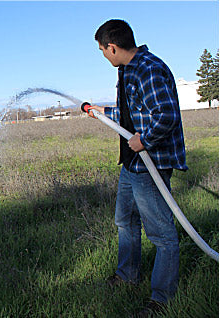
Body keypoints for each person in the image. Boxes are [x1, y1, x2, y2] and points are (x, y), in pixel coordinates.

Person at [88, 19, 188, 317]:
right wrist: (103, 113)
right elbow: (136, 113)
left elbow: (166, 115)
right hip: (132, 165)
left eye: (102, 50)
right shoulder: (129, 70)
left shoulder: (148, 68)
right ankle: (127, 275)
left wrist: (143, 140)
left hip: (151, 165)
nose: (104, 55)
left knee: (162, 235)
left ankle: (162, 298)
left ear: (113, 47)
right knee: (126, 221)